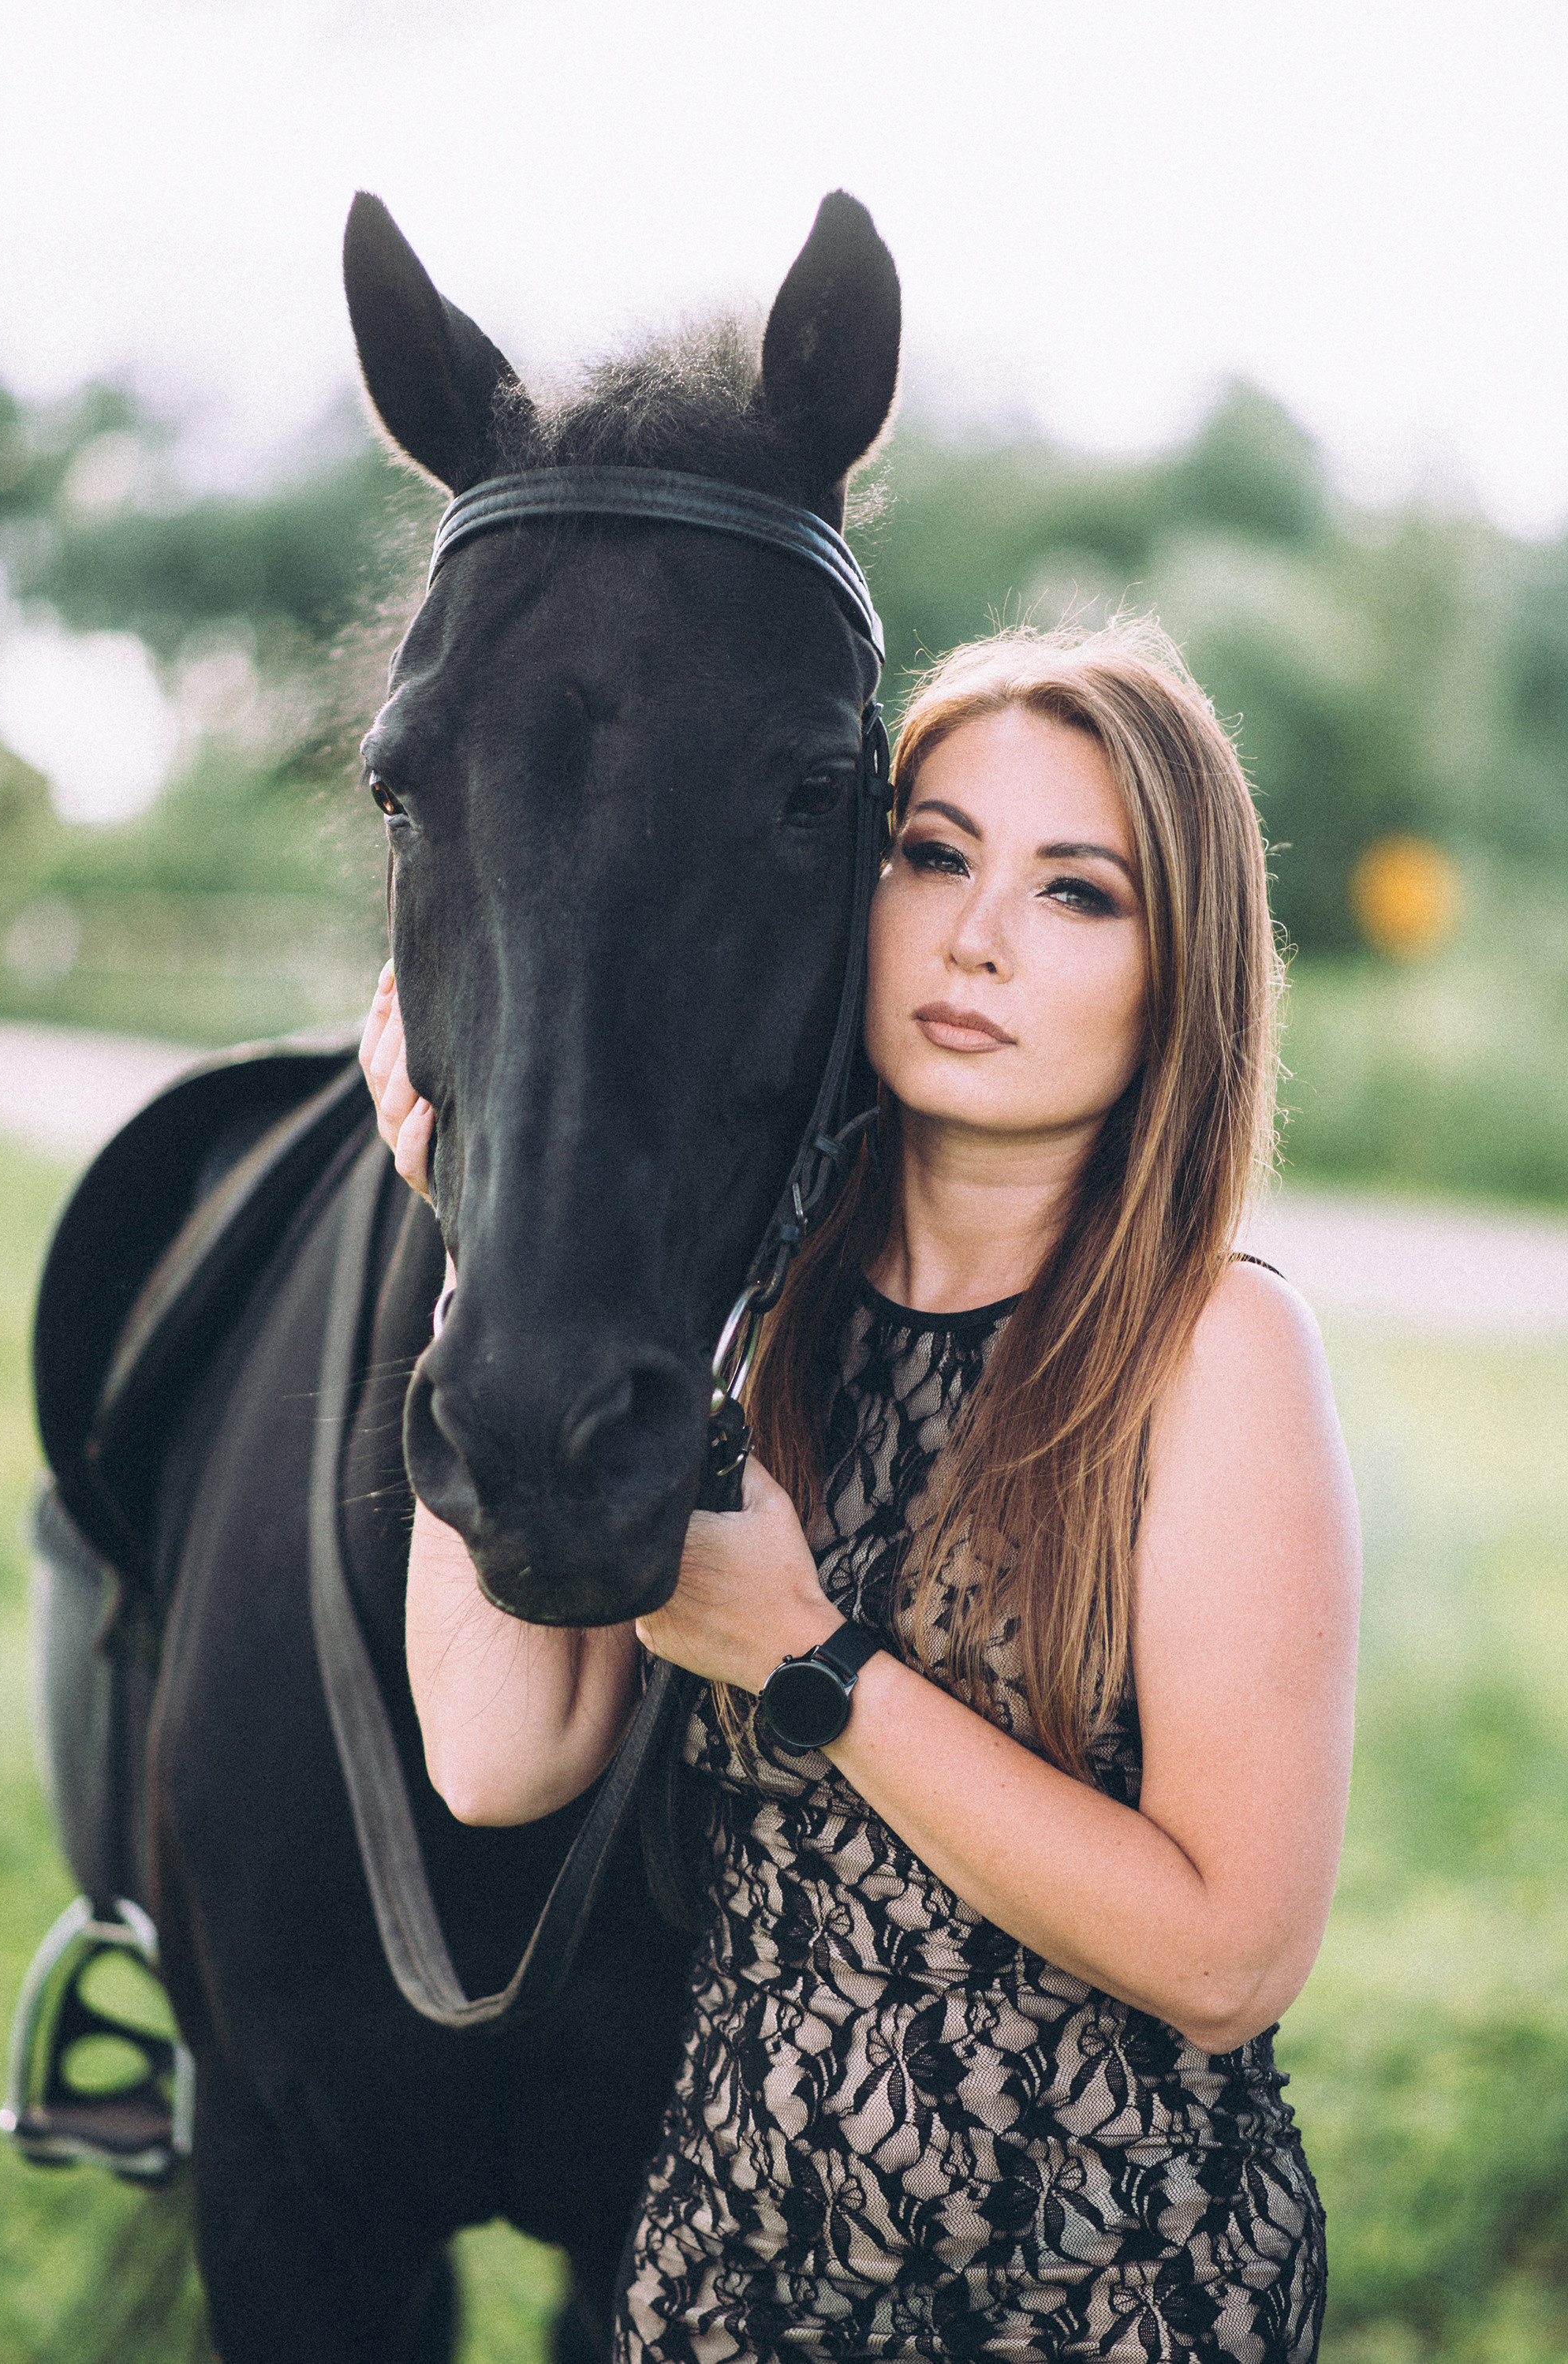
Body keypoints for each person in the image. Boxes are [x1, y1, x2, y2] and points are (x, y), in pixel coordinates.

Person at [362, 620, 1360, 2362]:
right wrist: (483, 1234)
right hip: (732, 2282)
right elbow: (493, 1751)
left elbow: (1228, 1955)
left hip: (1106, 2297)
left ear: (1174, 968)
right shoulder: (750, 1317)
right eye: (933, 854)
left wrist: (811, 1662)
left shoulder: (1213, 1346)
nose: (975, 938)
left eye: (1077, 894)